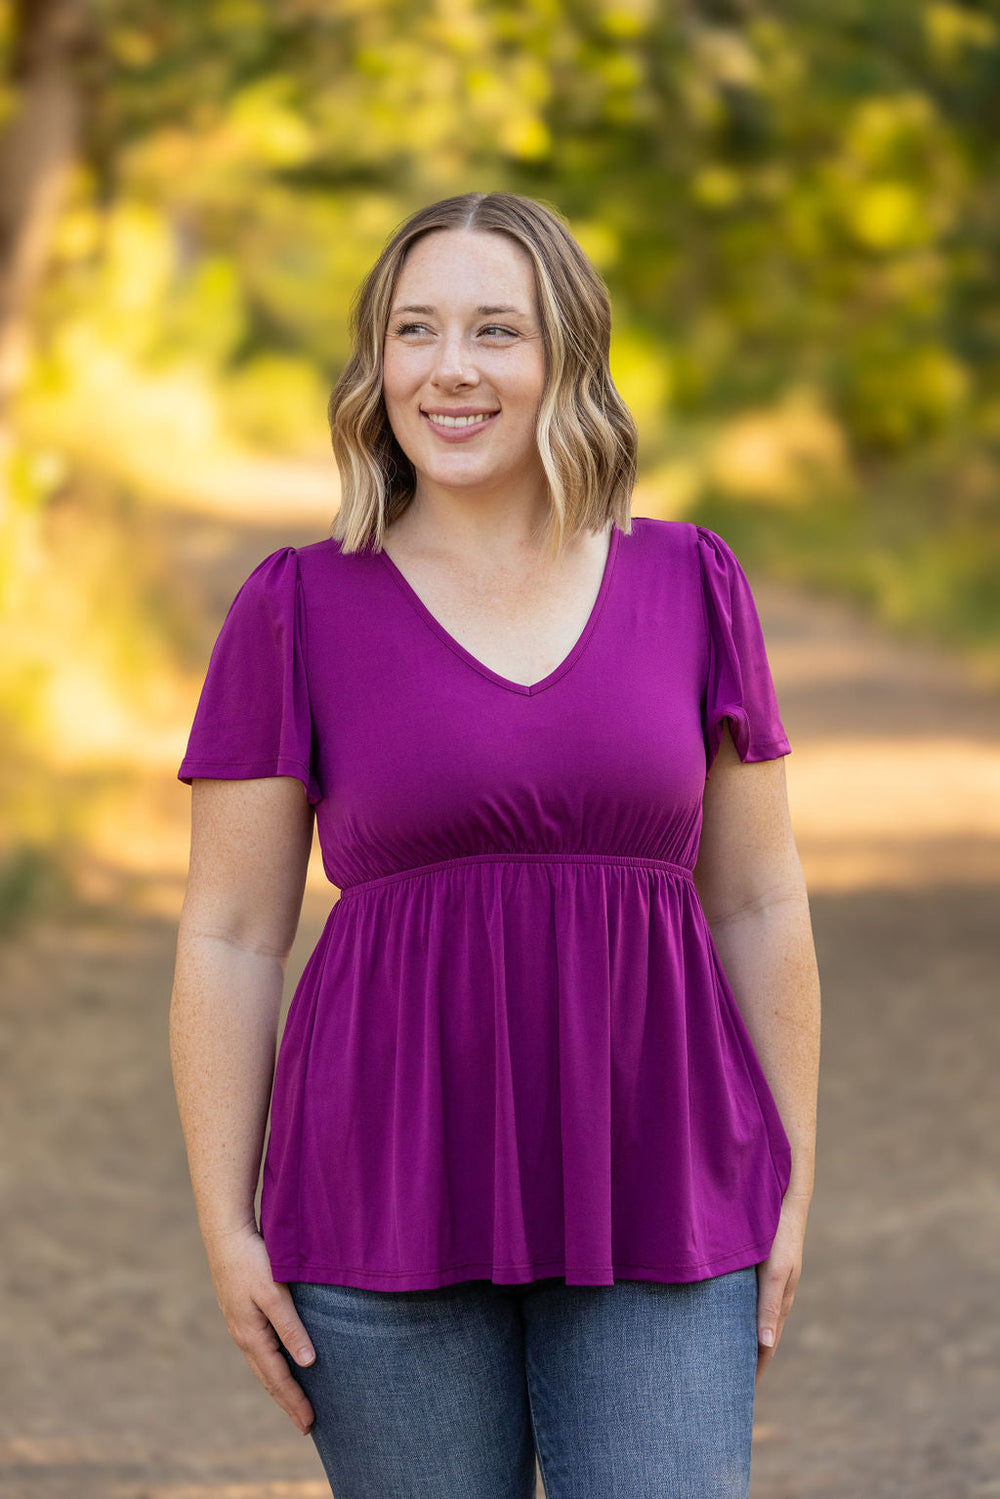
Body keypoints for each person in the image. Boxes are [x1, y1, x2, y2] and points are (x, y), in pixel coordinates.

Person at [170, 190, 821, 1499]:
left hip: (663, 1181)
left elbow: (757, 900)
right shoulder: (296, 606)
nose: (450, 369)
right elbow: (232, 935)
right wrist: (224, 1223)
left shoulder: (692, 583)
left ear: (564, 357)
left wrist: (790, 1176)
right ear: (376, 364)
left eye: (494, 331)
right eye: (414, 330)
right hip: (378, 1189)